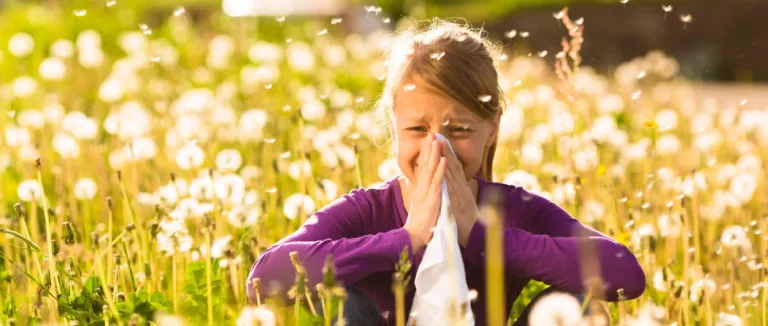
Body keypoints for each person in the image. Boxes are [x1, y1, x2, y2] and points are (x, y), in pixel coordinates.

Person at [246, 19, 646, 325]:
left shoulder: (513, 208)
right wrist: (407, 239)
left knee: (582, 304)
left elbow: (624, 272)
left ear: (492, 129)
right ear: (394, 126)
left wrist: (483, 236)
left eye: (459, 130)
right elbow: (264, 280)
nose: (438, 148)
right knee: (349, 301)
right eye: (418, 129)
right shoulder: (367, 210)